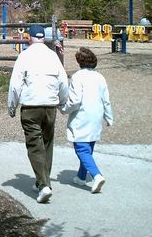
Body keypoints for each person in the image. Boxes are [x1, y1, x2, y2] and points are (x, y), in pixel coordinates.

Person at [8, 24, 68, 203]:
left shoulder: (24, 56)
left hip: (31, 106)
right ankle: (43, 180)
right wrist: (62, 102)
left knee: (34, 145)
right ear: (44, 38)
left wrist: (12, 106)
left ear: (29, 37)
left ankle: (44, 186)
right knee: (47, 143)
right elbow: (63, 81)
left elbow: (15, 85)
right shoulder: (53, 56)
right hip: (50, 105)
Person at [59, 47, 113, 194]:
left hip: (82, 115)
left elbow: (75, 100)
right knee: (88, 147)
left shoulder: (77, 77)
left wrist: (63, 108)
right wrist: (109, 117)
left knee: (81, 149)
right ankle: (81, 177)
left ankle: (96, 175)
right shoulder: (100, 77)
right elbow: (106, 99)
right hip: (96, 114)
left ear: (79, 62)